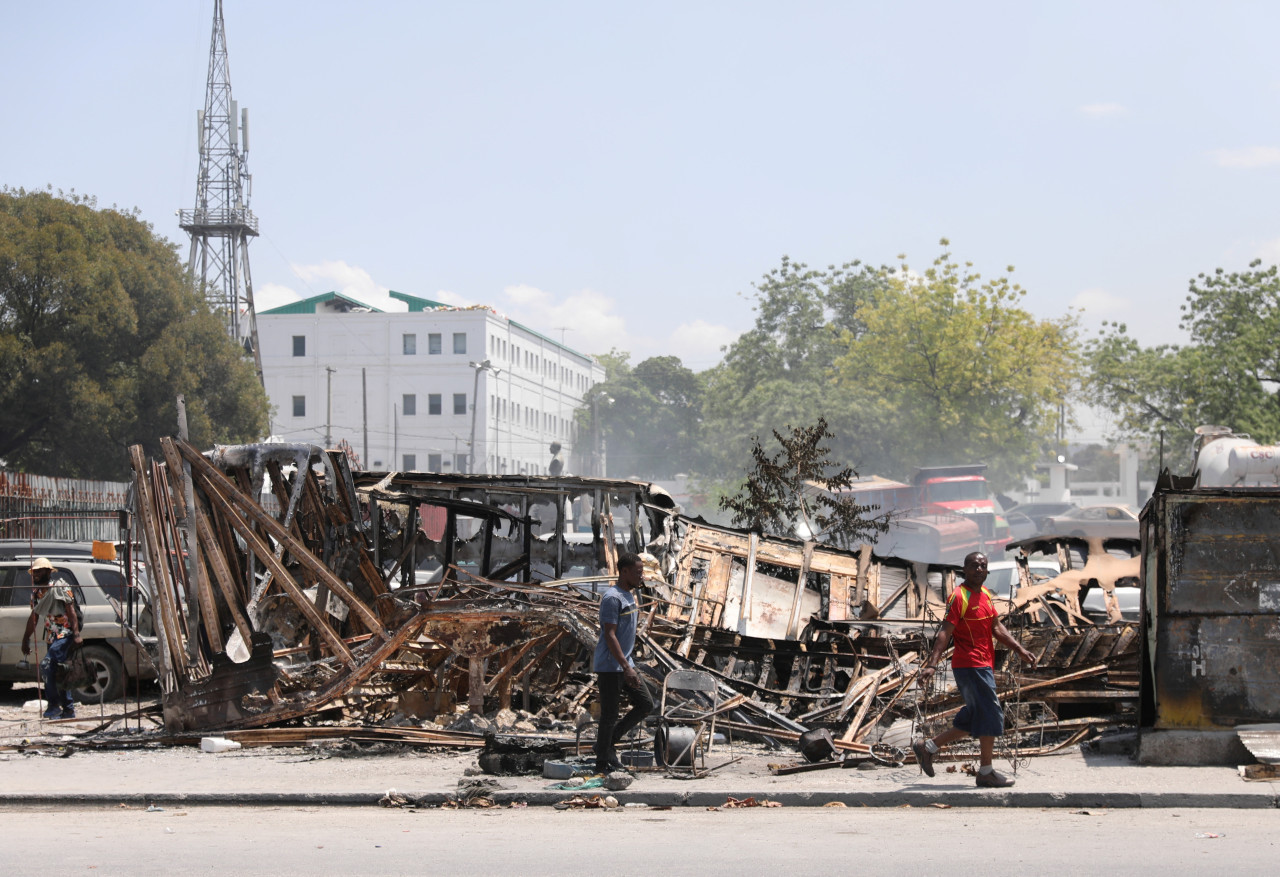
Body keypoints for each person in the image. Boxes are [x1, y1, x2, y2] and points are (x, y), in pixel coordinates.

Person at [913, 551, 1037, 788]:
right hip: (969, 665)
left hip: (983, 664)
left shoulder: (986, 595)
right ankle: (986, 772)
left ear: (987, 570)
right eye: (974, 565)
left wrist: (1020, 649)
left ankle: (927, 747)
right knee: (990, 714)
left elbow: (997, 628)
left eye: (983, 566)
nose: (979, 569)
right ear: (965, 569)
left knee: (975, 717)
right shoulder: (959, 596)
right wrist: (931, 664)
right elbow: (944, 632)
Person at [592, 551, 655, 774]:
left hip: (625, 662)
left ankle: (606, 745)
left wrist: (629, 663)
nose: (642, 576)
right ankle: (601, 764)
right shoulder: (612, 598)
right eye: (638, 572)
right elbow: (609, 635)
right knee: (609, 714)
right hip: (611, 665)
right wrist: (626, 667)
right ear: (624, 571)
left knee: (646, 704)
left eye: (642, 572)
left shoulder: (631, 596)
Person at [20, 557, 82, 720]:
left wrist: (76, 634)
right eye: (34, 572)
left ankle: (54, 706)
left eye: (39, 571)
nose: (36, 575)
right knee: (59, 672)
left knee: (47, 666)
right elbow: (34, 618)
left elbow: (72, 612)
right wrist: (25, 639)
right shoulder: (36, 593)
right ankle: (68, 710)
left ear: (48, 572)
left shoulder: (60, 587)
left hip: (65, 634)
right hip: (51, 637)